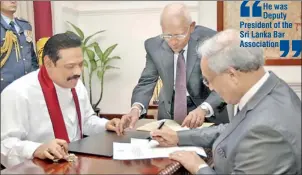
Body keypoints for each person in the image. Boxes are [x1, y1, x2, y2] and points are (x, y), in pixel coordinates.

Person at [150, 29, 301, 174]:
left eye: (208, 80)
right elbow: (233, 129)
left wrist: (199, 167)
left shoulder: (266, 129)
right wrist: (178, 137)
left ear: (232, 75)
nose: (210, 87)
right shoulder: (271, 89)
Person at [1, 32, 121, 168]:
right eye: (70, 66)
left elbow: (85, 121)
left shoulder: (76, 84)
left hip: (75, 165)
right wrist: (36, 149)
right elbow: (5, 144)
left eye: (81, 64)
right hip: (37, 169)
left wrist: (105, 125)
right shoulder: (18, 93)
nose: (77, 71)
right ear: (48, 63)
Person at [118, 3, 229, 134]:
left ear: (191, 27)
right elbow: (146, 81)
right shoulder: (154, 46)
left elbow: (225, 83)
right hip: (169, 118)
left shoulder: (212, 41)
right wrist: (135, 109)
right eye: (168, 36)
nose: (173, 42)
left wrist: (204, 108)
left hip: (209, 116)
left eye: (179, 35)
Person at [0, 1, 38, 92]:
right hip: (5, 87)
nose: (13, 1)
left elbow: (31, 55)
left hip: (28, 85)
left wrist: (35, 75)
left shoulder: (25, 25)